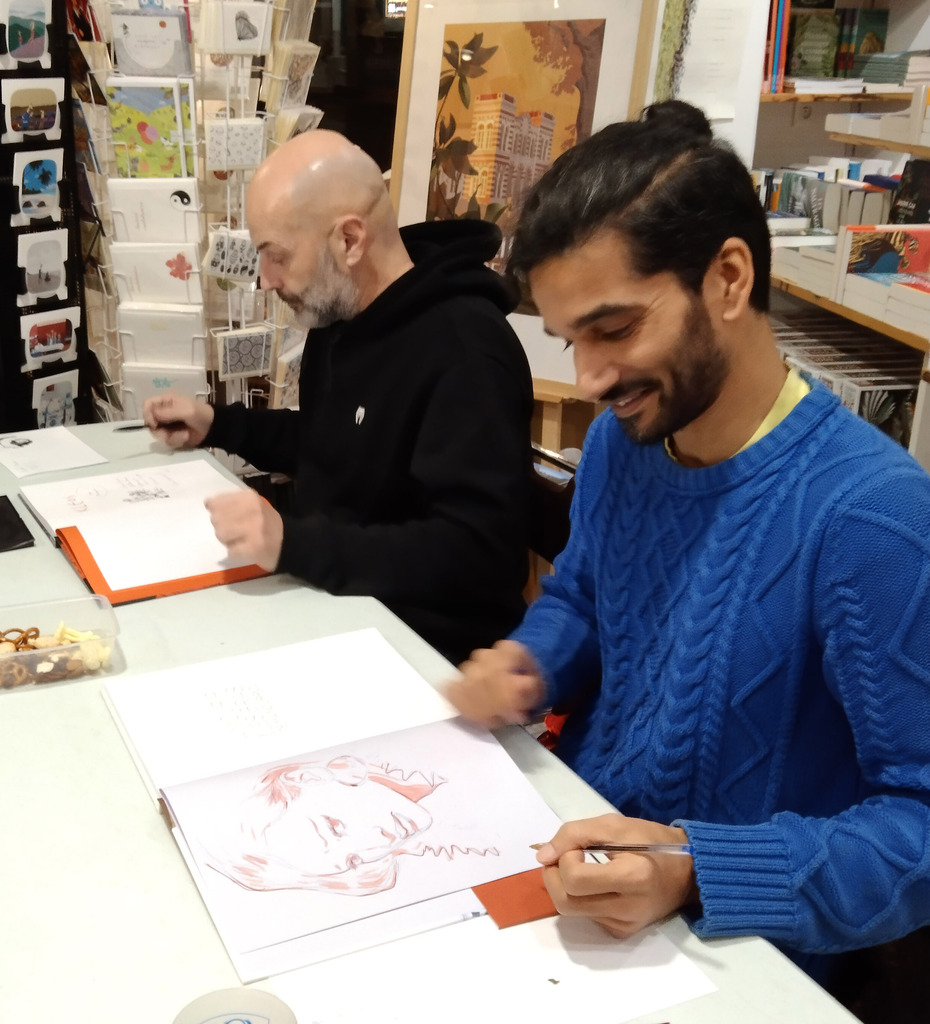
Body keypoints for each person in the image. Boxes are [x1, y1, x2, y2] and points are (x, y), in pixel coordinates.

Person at [445, 101, 930, 985]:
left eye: (616, 329)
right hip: (580, 875)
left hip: (742, 957)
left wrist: (699, 868)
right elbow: (588, 597)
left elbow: (920, 827)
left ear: (730, 279)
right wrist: (532, 658)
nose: (588, 378)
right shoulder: (624, 449)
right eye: (568, 340)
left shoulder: (872, 517)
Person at [144, 130, 533, 664]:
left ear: (350, 240)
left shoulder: (466, 352)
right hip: (334, 610)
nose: (266, 279)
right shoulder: (342, 314)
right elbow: (332, 442)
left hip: (426, 655)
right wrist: (218, 424)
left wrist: (294, 545)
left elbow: (474, 554)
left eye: (276, 256)